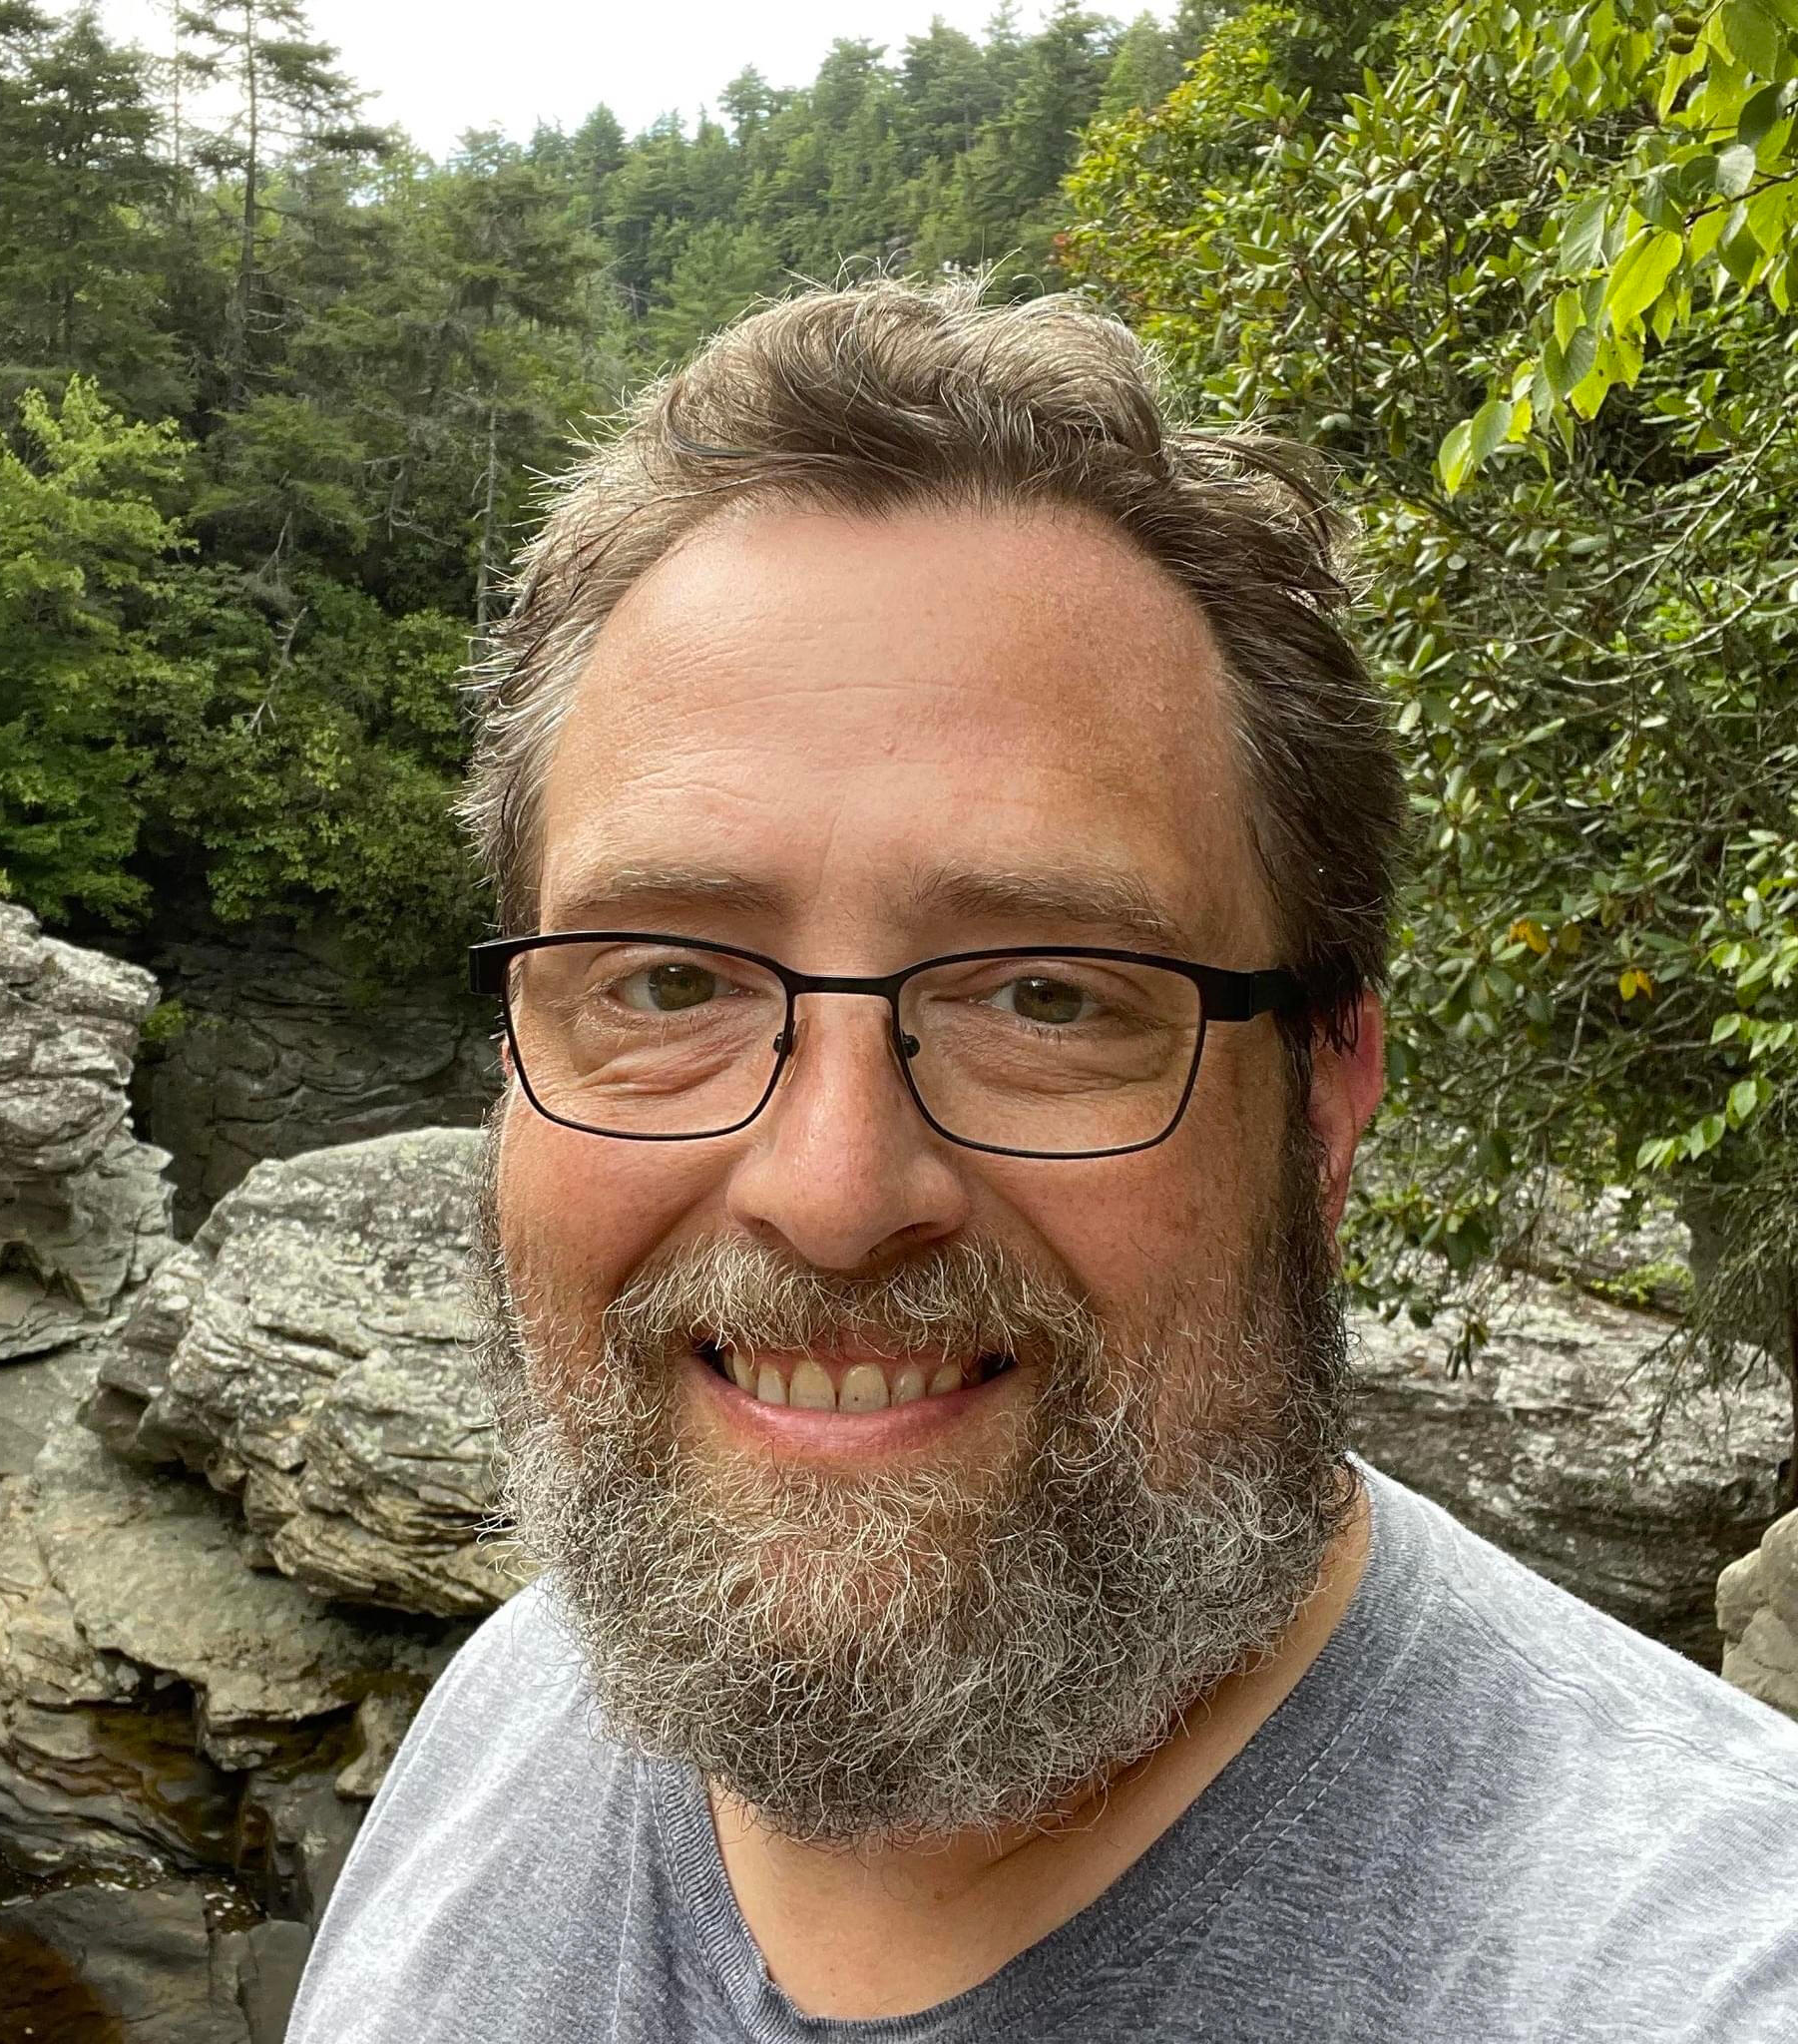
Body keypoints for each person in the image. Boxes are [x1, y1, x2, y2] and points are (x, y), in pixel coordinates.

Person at [285, 279, 1798, 2043]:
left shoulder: (1693, 1970)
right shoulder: (531, 1694)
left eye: (1049, 995)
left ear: (1323, 1096)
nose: (833, 1193)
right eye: (669, 981)